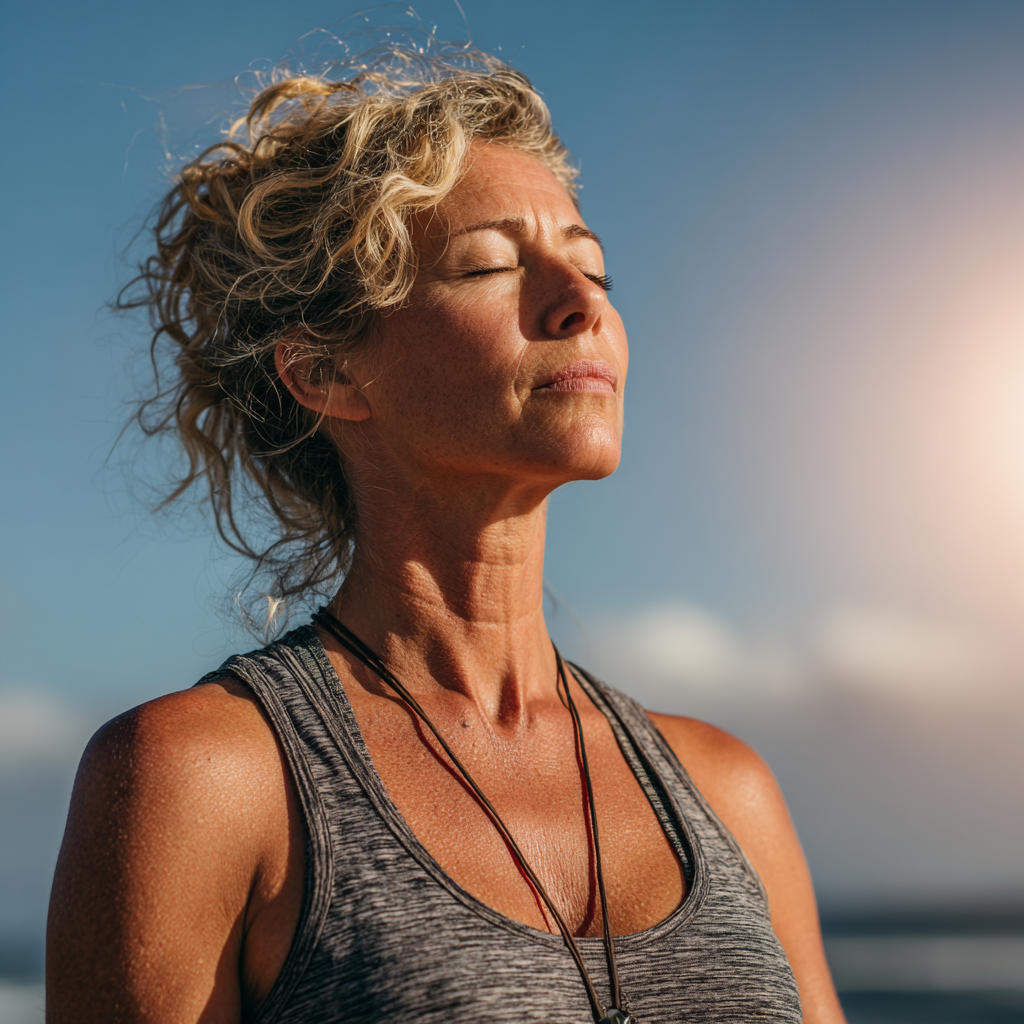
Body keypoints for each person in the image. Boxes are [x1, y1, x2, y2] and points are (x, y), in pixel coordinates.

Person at [46, 47, 846, 1024]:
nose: (582, 302)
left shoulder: (726, 791)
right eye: (492, 266)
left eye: (592, 265)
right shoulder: (208, 778)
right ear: (327, 372)